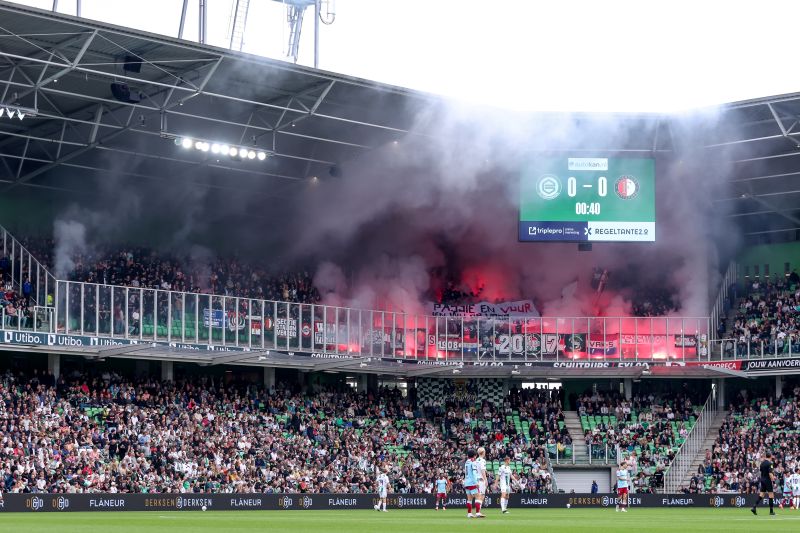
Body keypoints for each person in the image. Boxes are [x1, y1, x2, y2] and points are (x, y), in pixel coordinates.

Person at [751, 451, 776, 516]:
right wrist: (773, 482)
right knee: (771, 495)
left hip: (762, 480)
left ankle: (754, 507)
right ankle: (771, 511)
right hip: (768, 480)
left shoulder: (762, 463)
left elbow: (762, 472)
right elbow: (770, 473)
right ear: (770, 456)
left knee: (761, 494)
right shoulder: (770, 464)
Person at [464, 449, 483, 519]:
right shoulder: (473, 462)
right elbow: (474, 473)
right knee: (478, 496)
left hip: (467, 482)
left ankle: (469, 513)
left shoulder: (467, 462)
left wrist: (478, 478)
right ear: (474, 455)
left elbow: (468, 473)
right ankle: (478, 513)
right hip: (472, 482)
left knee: (469, 499)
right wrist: (476, 482)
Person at [475, 446, 488, 516]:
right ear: (483, 452)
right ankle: (478, 512)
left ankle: (478, 511)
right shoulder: (483, 461)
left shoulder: (476, 460)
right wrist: (486, 480)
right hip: (481, 480)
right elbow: (483, 471)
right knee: (481, 495)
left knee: (478, 495)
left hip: (476, 480)